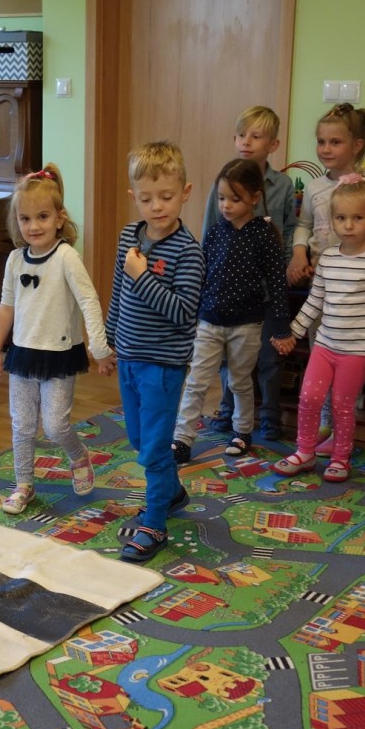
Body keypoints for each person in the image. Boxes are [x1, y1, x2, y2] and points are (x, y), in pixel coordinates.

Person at [0, 164, 114, 515]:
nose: (34, 226)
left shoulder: (66, 257)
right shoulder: (15, 260)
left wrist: (99, 347)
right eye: (25, 219)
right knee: (22, 424)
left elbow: (89, 301)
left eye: (42, 217)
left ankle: (78, 455)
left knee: (56, 425)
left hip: (59, 353)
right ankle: (24, 484)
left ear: (59, 219)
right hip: (23, 354)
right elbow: (6, 306)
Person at [105, 141, 204, 562]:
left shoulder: (188, 251)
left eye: (166, 196)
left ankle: (155, 524)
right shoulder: (129, 236)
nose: (157, 206)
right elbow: (118, 290)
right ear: (134, 197)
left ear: (185, 192)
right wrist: (109, 340)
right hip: (129, 358)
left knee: (155, 448)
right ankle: (173, 492)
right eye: (146, 199)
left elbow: (183, 314)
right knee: (139, 438)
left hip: (163, 366)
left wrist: (142, 275)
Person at [287, 103, 365, 455]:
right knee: (322, 357)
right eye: (321, 142)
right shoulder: (315, 187)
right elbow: (304, 225)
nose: (326, 149)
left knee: (349, 365)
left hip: (360, 294)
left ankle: (341, 426)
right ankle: (324, 423)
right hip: (324, 286)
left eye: (335, 142)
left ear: (357, 145)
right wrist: (299, 252)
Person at [270, 175, 365, 482]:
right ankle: (305, 452)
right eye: (341, 218)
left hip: (356, 352)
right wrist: (293, 332)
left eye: (357, 218)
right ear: (332, 220)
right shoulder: (327, 258)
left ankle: (340, 458)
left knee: (342, 405)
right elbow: (314, 302)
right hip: (324, 347)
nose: (348, 225)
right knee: (309, 398)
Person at [172, 158, 291, 463]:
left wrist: (281, 327)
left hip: (246, 325)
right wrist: (191, 314)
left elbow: (277, 283)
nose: (225, 205)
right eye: (222, 198)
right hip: (209, 321)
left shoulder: (264, 235)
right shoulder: (215, 232)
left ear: (254, 197)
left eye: (234, 199)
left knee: (239, 381)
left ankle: (241, 432)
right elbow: (201, 275)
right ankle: (182, 439)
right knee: (197, 381)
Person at [201, 106, 297, 440]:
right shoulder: (222, 183)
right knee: (229, 357)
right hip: (229, 292)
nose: (246, 142)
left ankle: (270, 415)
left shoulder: (282, 185)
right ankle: (228, 410)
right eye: (241, 135)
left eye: (256, 136)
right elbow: (210, 232)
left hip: (266, 290)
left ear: (273, 144)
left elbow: (288, 228)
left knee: (269, 357)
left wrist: (286, 267)